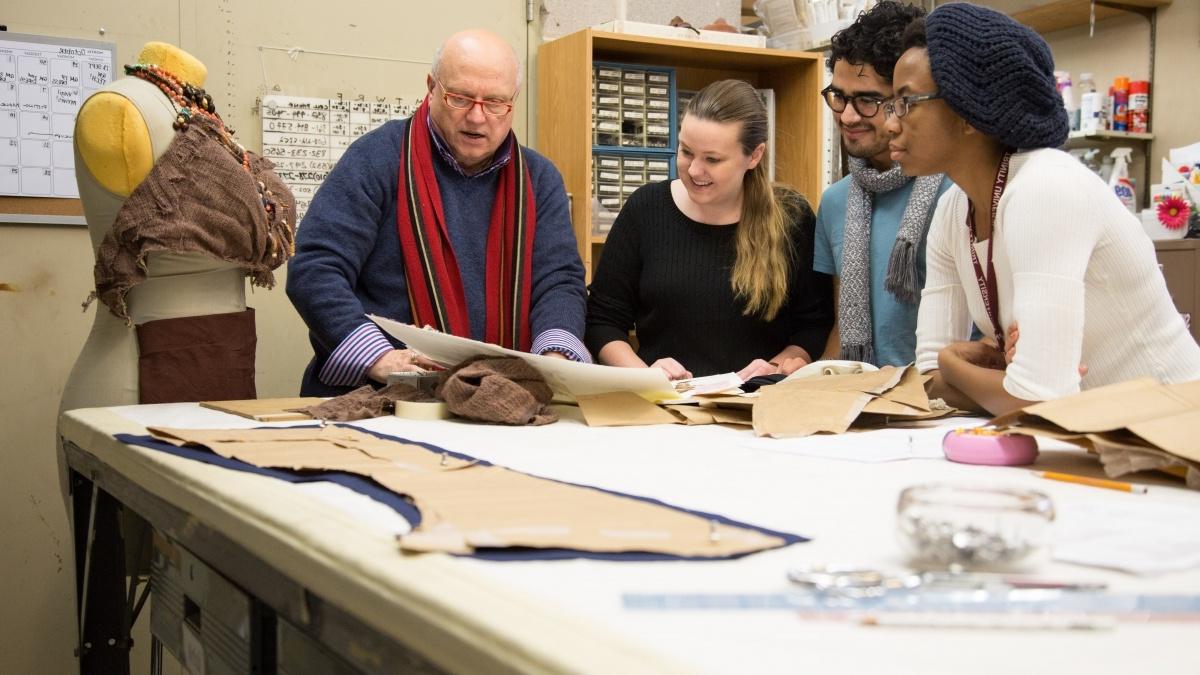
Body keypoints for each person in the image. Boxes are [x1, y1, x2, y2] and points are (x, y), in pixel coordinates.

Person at [884, 3, 1200, 415]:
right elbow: (928, 385)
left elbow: (1038, 398)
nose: (891, 123)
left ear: (969, 112)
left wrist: (954, 363)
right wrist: (977, 374)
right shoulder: (952, 209)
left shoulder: (1045, 188)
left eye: (908, 103)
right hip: (1090, 437)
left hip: (1172, 432)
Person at [287, 29, 589, 397]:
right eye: (460, 98)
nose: (478, 118)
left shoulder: (539, 179)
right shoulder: (377, 158)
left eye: (495, 102)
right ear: (431, 87)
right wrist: (377, 357)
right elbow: (315, 267)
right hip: (382, 395)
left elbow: (558, 280)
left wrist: (553, 356)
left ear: (514, 100)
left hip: (498, 397)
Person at [585, 79, 833, 381]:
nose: (694, 170)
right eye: (686, 152)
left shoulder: (791, 217)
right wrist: (646, 376)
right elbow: (602, 320)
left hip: (759, 406)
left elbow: (814, 324)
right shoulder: (645, 209)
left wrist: (773, 369)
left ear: (754, 155)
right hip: (663, 408)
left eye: (712, 159)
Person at [804, 0, 952, 371]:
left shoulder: (957, 189)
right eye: (839, 96)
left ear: (906, 97)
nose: (848, 116)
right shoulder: (836, 202)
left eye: (868, 100)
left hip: (942, 405)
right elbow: (844, 325)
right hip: (864, 403)